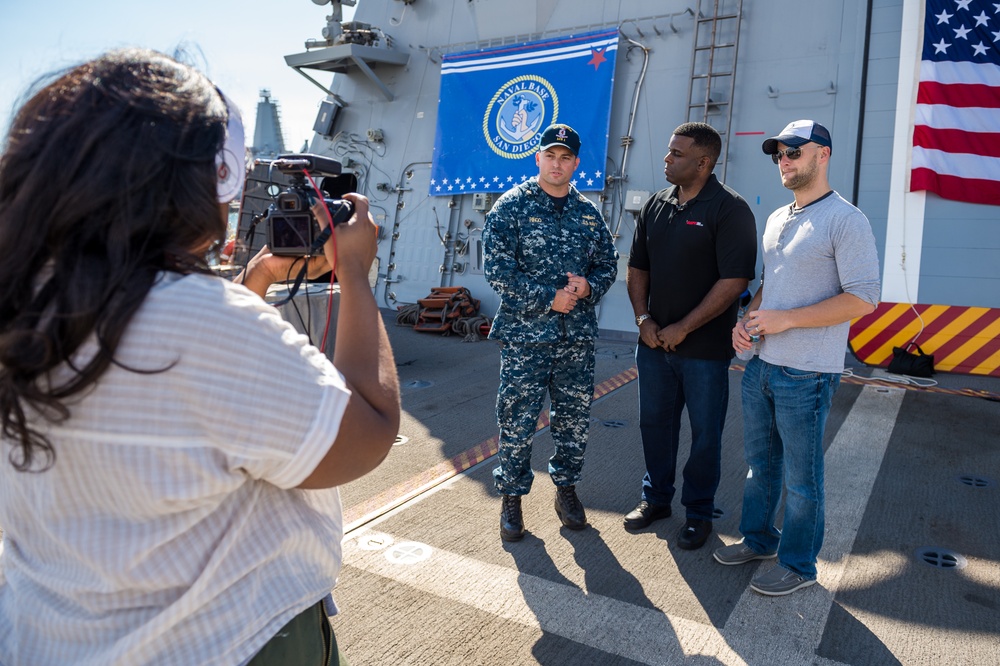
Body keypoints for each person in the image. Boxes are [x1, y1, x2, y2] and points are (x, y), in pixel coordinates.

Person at [0, 49, 400, 664]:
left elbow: (195, 388)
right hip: (227, 640)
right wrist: (355, 274)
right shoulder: (200, 324)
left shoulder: (26, 302)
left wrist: (260, 278)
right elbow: (370, 428)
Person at [712, 120, 880, 596]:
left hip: (807, 373)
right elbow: (774, 285)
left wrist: (787, 320)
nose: (784, 161)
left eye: (793, 152)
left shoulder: (846, 220)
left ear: (822, 155)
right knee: (760, 466)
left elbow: (864, 297)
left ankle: (800, 565)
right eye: (778, 154)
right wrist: (749, 318)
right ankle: (760, 538)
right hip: (762, 365)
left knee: (802, 479)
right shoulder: (779, 217)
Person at [625, 122, 758, 550]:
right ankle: (656, 500)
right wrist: (643, 320)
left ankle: (699, 512)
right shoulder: (655, 206)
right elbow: (637, 268)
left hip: (703, 351)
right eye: (668, 151)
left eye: (676, 154)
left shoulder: (730, 210)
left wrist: (684, 327)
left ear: (703, 162)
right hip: (654, 346)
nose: (666, 159)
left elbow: (734, 281)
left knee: (705, 434)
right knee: (654, 426)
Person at [483, 124, 618, 542]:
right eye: (550, 156)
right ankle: (512, 500)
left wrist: (589, 286)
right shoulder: (511, 207)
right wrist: (549, 297)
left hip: (575, 338)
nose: (557, 164)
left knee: (574, 420)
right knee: (518, 420)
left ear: (576, 164)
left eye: (566, 158)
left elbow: (608, 263)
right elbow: (497, 271)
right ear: (537, 158)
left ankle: (567, 491)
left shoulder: (588, 213)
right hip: (527, 338)